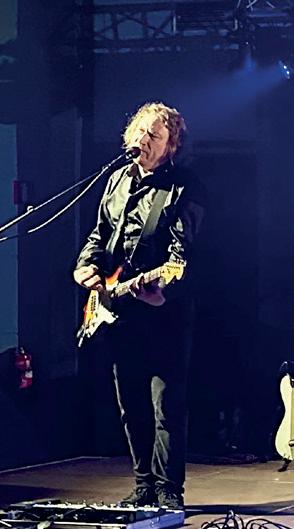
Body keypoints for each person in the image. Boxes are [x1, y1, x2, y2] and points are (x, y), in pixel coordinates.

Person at [74, 102, 203, 510]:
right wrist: (86, 267)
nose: (144, 140)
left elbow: (183, 255)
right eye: (141, 131)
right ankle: (143, 484)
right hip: (118, 311)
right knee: (130, 403)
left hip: (164, 312)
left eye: (155, 135)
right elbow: (99, 235)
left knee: (167, 405)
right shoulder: (116, 179)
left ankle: (169, 489)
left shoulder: (184, 187)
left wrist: (164, 288)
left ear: (170, 147)